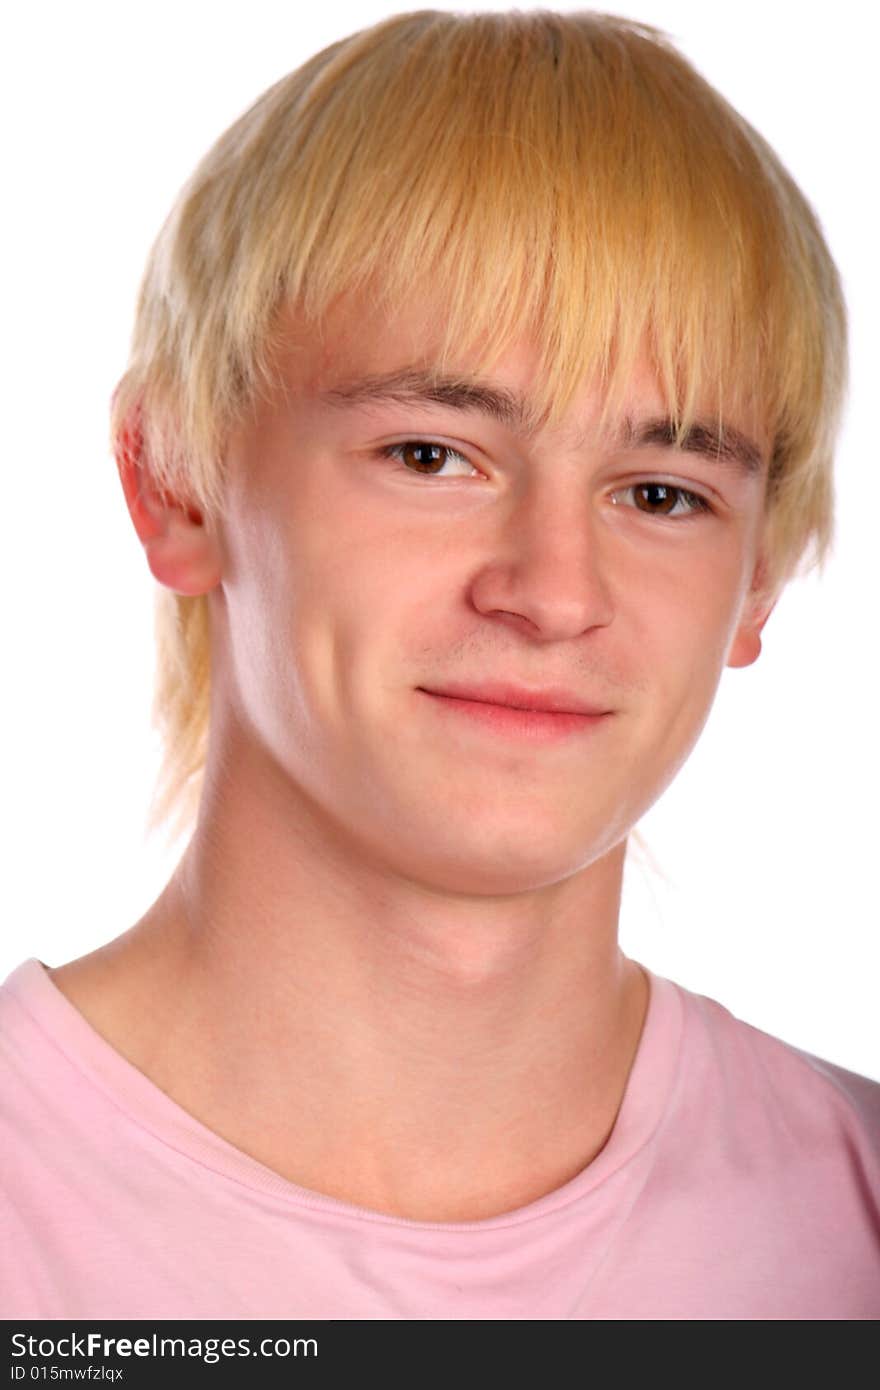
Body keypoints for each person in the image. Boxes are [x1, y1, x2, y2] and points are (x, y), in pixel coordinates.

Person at [1, 8, 877, 1321]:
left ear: (758, 579)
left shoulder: (851, 1215)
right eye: (431, 455)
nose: (553, 593)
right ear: (172, 482)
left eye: (661, 491)